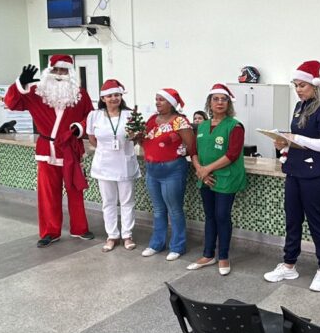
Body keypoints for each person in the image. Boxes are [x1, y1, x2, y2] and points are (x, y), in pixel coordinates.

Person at [263, 61, 320, 291]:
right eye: (296, 85)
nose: (298, 89)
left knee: (316, 223)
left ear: (314, 85)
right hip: (294, 172)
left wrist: (295, 138)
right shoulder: (300, 106)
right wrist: (283, 142)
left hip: (315, 176)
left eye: (303, 85)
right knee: (292, 220)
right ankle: (289, 265)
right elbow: (298, 139)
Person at [4, 56, 94, 247]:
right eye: (56, 70)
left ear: (71, 73)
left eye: (64, 71)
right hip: (47, 150)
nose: (60, 75)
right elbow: (11, 103)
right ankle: (50, 231)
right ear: (48, 71)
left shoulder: (80, 94)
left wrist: (79, 127)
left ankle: (80, 228)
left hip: (70, 148)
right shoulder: (36, 92)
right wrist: (19, 83)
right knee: (48, 194)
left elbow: (91, 117)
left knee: (75, 190)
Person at [188, 84, 247, 276]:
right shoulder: (202, 126)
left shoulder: (235, 126)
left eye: (224, 99)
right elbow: (194, 151)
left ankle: (223, 256)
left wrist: (206, 170)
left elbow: (232, 154)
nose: (219, 102)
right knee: (210, 216)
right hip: (206, 178)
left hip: (225, 179)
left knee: (222, 216)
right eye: (216, 99)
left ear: (229, 103)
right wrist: (199, 169)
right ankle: (208, 254)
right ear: (209, 103)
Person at [86, 79, 140, 252]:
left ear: (121, 96)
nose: (113, 98)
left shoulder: (130, 114)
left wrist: (133, 137)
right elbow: (92, 139)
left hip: (125, 162)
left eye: (117, 95)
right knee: (108, 202)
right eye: (109, 96)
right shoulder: (94, 115)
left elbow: (137, 138)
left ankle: (127, 235)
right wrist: (106, 149)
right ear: (103, 98)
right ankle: (112, 235)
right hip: (104, 164)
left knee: (127, 201)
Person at [141, 88, 194, 260]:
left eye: (161, 100)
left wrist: (176, 152)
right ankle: (157, 244)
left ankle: (177, 246)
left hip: (172, 170)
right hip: (152, 170)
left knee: (174, 210)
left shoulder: (180, 121)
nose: (157, 102)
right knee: (157, 210)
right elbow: (144, 140)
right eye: (156, 99)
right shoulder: (151, 120)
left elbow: (191, 146)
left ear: (171, 103)